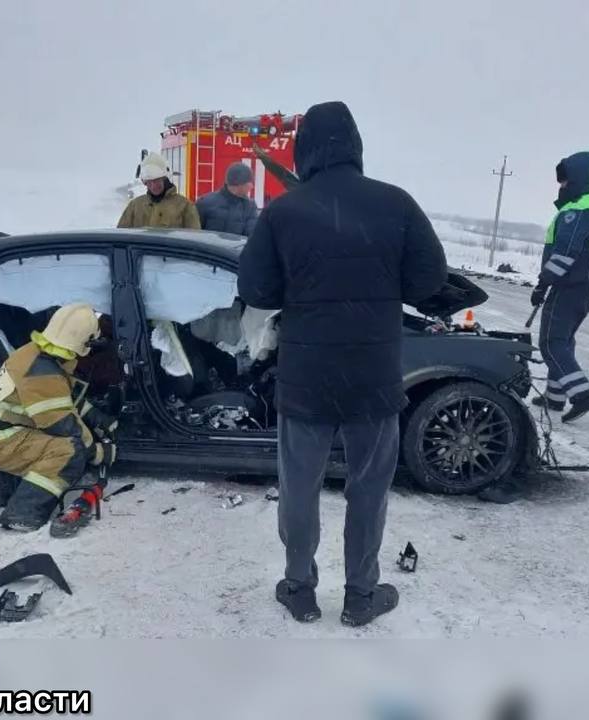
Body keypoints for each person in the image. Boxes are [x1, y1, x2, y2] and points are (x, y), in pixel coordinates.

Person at [238, 101, 447, 627]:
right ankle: (360, 596)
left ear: (303, 149)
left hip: (306, 379)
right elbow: (428, 284)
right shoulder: (395, 204)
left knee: (300, 489)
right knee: (369, 488)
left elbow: (255, 289)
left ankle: (300, 589)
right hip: (374, 377)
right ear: (355, 145)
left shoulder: (284, 212)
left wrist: (304, 283)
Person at [0, 303, 118, 532]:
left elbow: (65, 399)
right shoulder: (40, 372)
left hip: (3, 434)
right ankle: (22, 514)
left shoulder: (39, 352)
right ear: (84, 342)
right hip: (1, 440)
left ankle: (1, 482)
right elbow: (64, 426)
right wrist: (99, 452)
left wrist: (99, 419)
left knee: (67, 448)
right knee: (68, 451)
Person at [531, 151, 589, 423]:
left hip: (568, 286)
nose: (561, 187)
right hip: (585, 287)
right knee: (564, 342)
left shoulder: (578, 210)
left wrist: (543, 283)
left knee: (550, 343)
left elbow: (565, 253)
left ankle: (583, 396)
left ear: (576, 179)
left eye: (564, 181)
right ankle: (556, 397)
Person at [116, 151, 201, 230]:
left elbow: (195, 239)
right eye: (149, 182)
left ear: (165, 179)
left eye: (157, 181)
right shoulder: (135, 206)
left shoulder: (185, 206)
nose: (153, 186)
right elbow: (120, 238)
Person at [196, 162, 259, 236]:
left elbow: (252, 235)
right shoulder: (204, 203)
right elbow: (195, 234)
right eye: (250, 182)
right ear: (239, 184)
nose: (252, 186)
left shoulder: (250, 207)